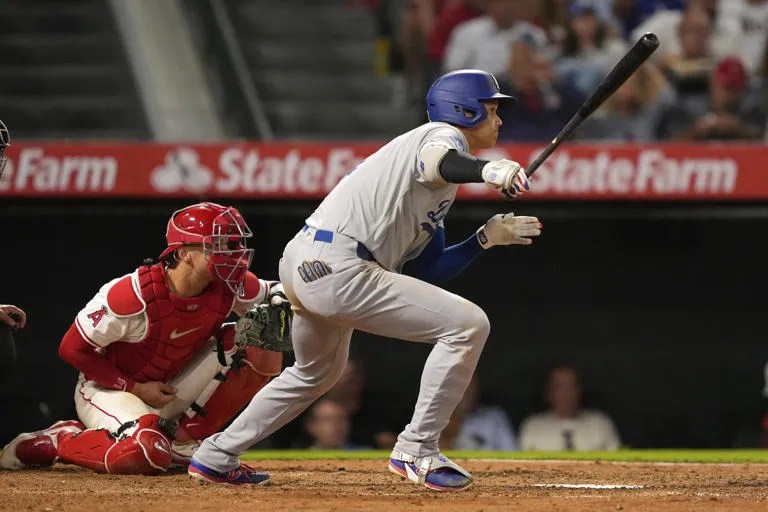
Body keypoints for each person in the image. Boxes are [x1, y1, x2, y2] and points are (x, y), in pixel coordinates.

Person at [188, 68, 541, 491]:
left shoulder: (436, 191)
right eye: (491, 109)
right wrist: (490, 172)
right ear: (462, 110)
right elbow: (441, 162)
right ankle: (417, 449)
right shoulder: (441, 136)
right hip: (340, 264)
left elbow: (429, 270)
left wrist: (483, 239)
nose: (499, 119)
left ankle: (215, 455)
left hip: (311, 262)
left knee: (315, 373)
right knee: (469, 326)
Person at [1, 202, 286, 481]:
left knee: (260, 336)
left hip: (171, 386)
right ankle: (61, 439)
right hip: (111, 388)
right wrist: (135, 387)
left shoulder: (229, 285)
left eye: (235, 245)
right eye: (220, 245)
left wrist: (287, 297)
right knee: (144, 453)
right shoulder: (131, 295)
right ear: (185, 253)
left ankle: (184, 442)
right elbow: (71, 348)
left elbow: (275, 292)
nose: (233, 254)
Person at [519, 364, 621, 451]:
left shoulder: (600, 423)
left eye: (572, 386)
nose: (567, 394)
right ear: (549, 393)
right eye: (560, 387)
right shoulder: (533, 426)